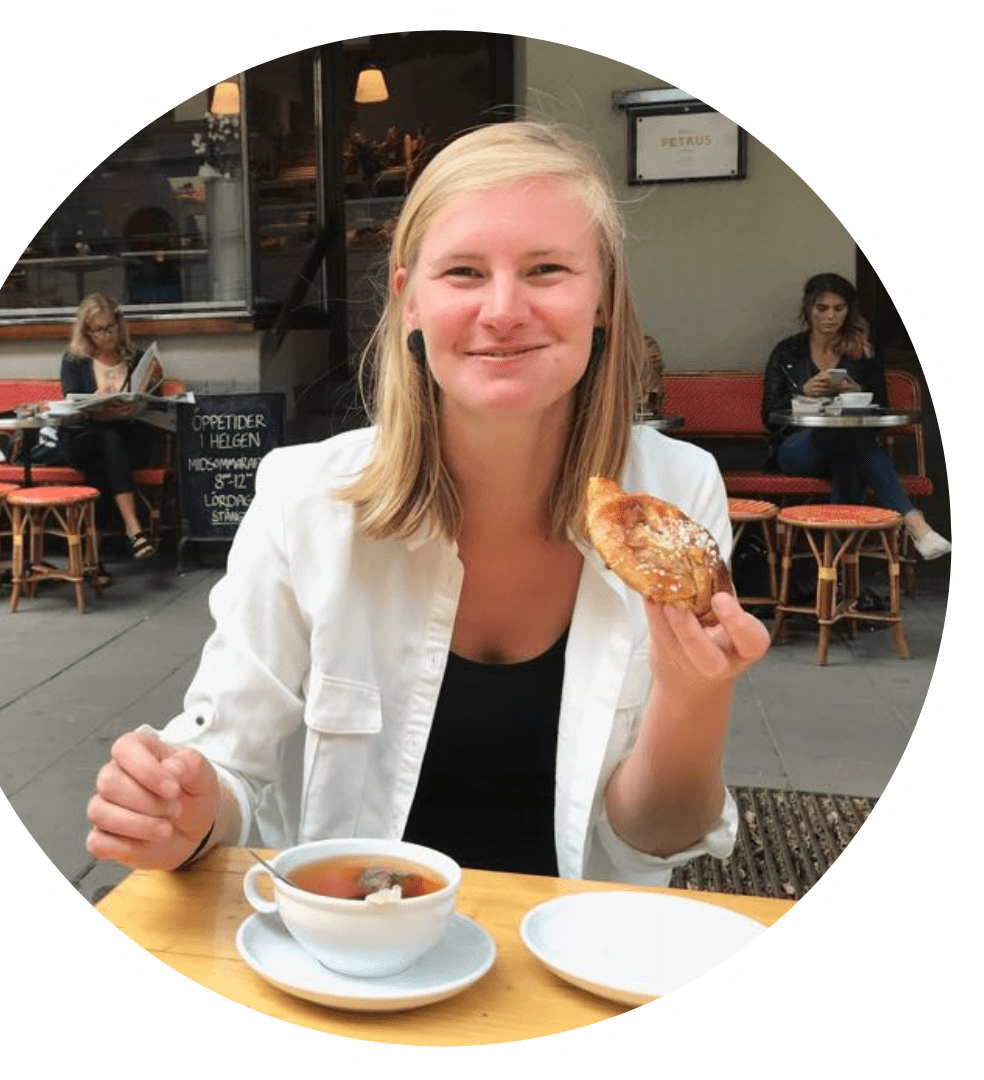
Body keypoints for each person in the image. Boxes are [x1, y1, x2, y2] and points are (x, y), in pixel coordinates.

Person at [86, 121, 769, 885]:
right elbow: (228, 769)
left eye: (546, 269)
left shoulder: (673, 495)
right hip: (349, 944)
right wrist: (181, 810)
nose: (503, 310)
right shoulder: (302, 497)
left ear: (603, 298)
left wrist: (693, 695)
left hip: (576, 943)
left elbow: (657, 837)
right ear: (410, 301)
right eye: (465, 272)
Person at [762, 273, 951, 560]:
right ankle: (914, 522)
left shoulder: (862, 352)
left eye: (839, 308)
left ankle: (834, 566)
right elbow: (768, 413)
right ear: (808, 309)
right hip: (798, 449)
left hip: (849, 448)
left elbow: (881, 406)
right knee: (850, 441)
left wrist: (857, 391)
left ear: (849, 311)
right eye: (822, 308)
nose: (830, 316)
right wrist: (802, 392)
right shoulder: (787, 352)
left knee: (848, 458)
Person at [57, 294, 158, 561]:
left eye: (110, 327)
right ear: (86, 331)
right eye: (98, 329)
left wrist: (136, 404)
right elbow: (73, 406)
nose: (106, 335)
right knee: (107, 438)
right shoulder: (74, 361)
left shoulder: (136, 358)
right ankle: (133, 528)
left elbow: (151, 401)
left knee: (107, 450)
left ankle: (92, 559)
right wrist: (99, 402)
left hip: (128, 440)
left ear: (119, 325)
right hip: (84, 438)